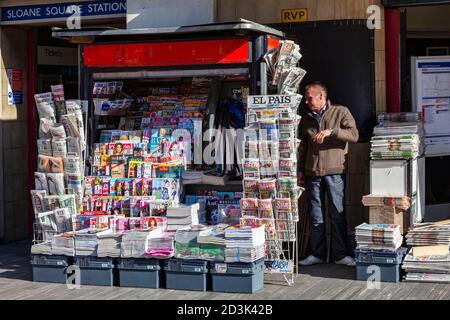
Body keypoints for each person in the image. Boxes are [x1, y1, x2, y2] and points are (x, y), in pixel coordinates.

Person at [298, 81, 359, 267]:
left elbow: (354, 135)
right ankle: (318, 254)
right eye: (306, 98)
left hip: (335, 171)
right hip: (312, 173)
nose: (307, 101)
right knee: (316, 215)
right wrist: (300, 170)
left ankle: (340, 255)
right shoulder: (306, 117)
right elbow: (303, 146)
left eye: (310, 98)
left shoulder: (341, 112)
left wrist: (332, 132)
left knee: (337, 214)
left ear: (321, 96)